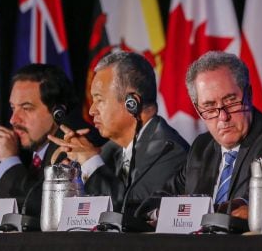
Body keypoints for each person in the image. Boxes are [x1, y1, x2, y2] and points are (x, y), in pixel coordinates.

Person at [164, 51, 262, 219]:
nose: (223, 117)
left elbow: (254, 203)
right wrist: (159, 212)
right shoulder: (202, 148)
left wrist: (188, 211)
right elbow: (162, 198)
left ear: (249, 95)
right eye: (209, 107)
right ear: (197, 109)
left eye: (231, 102)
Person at [49, 51, 188, 215]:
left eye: (99, 100)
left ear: (132, 103)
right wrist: (65, 175)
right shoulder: (110, 150)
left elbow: (132, 212)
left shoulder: (170, 151)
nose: (92, 111)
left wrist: (91, 163)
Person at [0, 64, 83, 215]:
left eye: (26, 108)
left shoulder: (72, 147)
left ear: (58, 112)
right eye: (13, 108)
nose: (13, 120)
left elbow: (40, 208)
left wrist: (9, 161)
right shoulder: (23, 148)